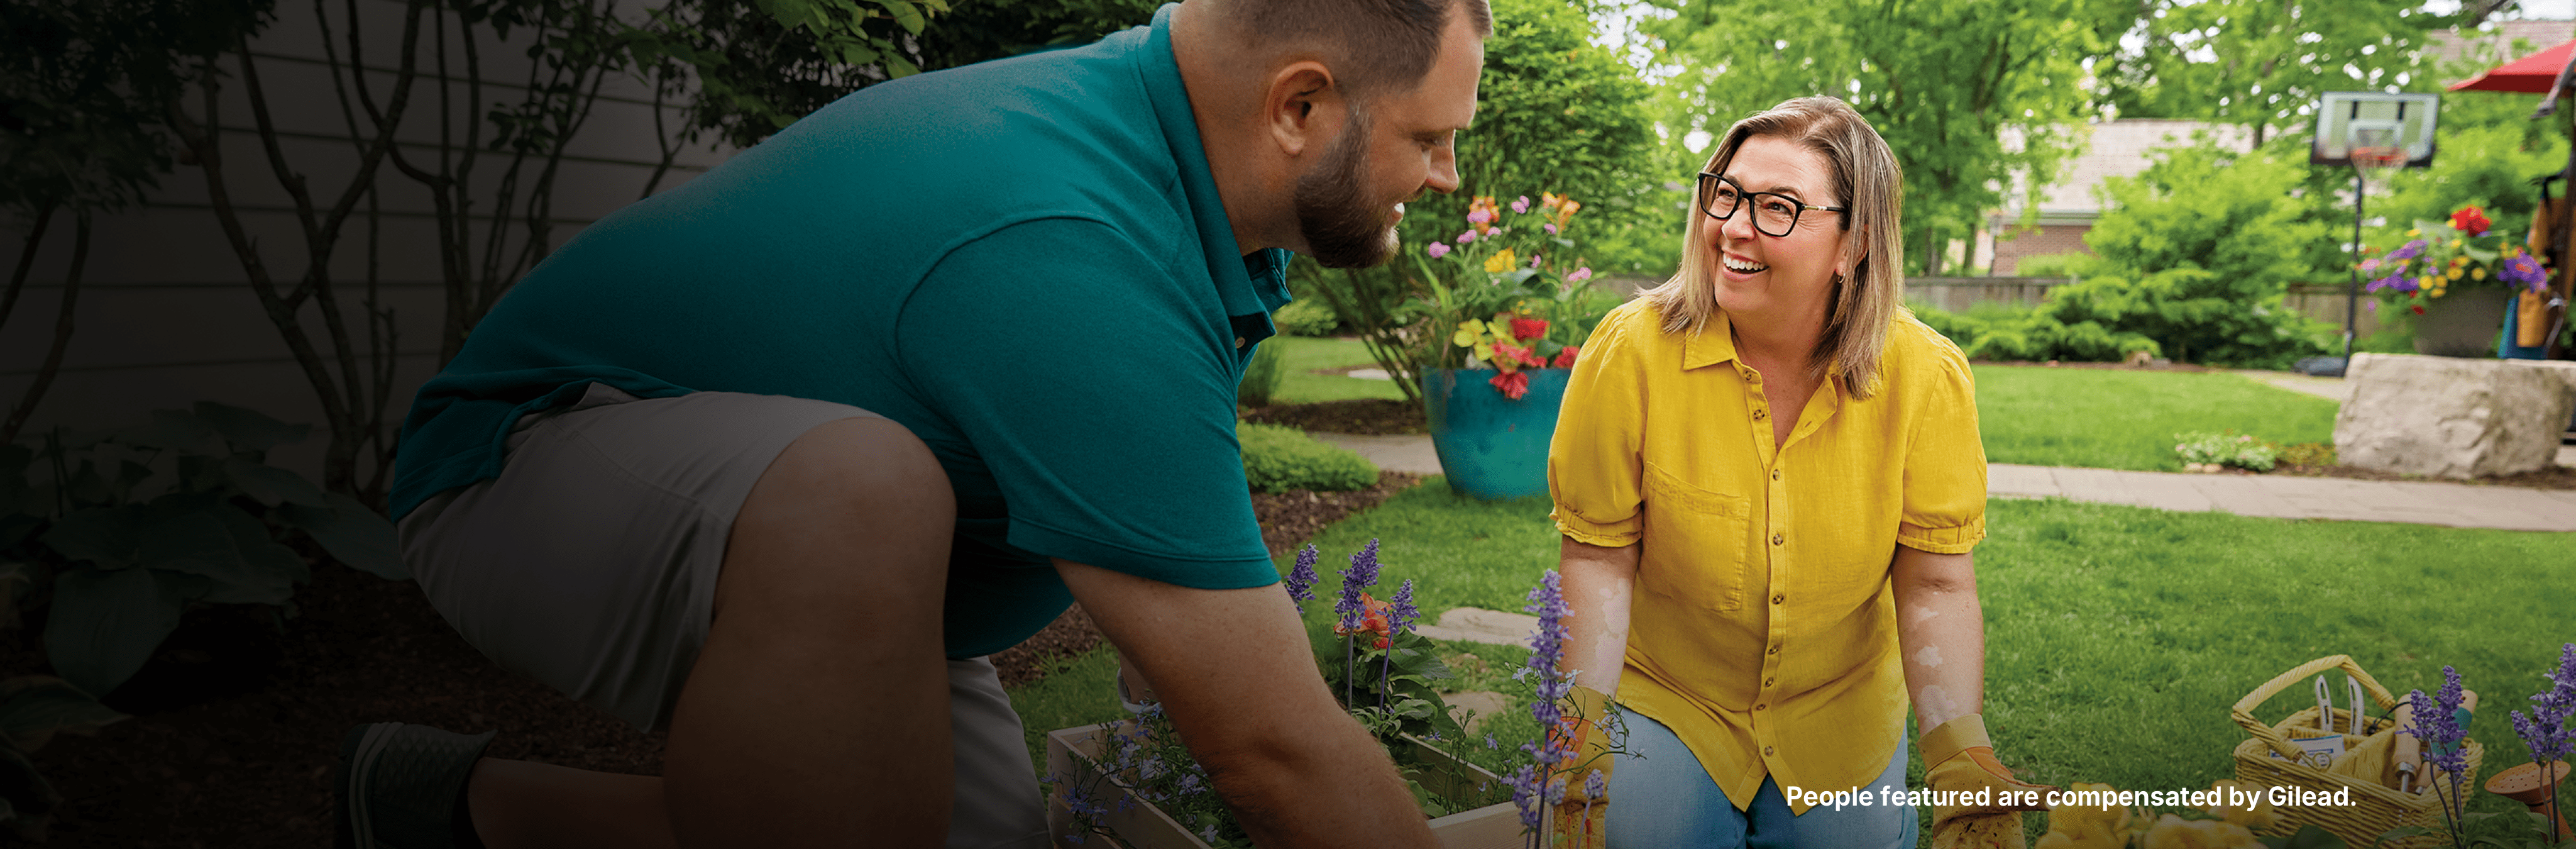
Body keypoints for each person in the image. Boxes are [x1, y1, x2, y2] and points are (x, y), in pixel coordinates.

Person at [338, 1, 1489, 846]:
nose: (1444, 174)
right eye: (1430, 137)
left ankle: (439, 811)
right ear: (1298, 105)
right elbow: (1274, 749)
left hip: (823, 560)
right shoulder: (1067, 237)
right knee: (864, 489)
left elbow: (1165, 566)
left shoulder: (1160, 183)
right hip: (517, 468)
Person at [1543, 97, 2053, 849]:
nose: (1735, 227)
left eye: (1778, 207)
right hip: (1672, 699)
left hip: (1839, 712)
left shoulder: (1926, 376)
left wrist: (1957, 747)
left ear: (1856, 243)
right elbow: (1599, 558)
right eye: (1727, 192)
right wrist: (1580, 726)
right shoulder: (1632, 350)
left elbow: (1936, 582)